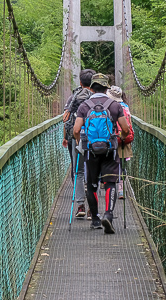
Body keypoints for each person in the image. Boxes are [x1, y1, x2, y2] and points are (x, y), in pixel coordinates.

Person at [73, 73, 130, 234]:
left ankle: (96, 220)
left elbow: (76, 130)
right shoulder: (114, 105)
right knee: (110, 183)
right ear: (106, 88)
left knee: (91, 184)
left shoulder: (84, 106)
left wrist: (79, 143)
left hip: (91, 151)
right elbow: (125, 129)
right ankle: (108, 215)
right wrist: (120, 138)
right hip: (110, 150)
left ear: (91, 88)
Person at [62, 69, 95, 219]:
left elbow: (66, 120)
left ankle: (81, 205)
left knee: (79, 172)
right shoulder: (98, 98)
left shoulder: (73, 98)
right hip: (95, 140)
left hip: (77, 138)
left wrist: (67, 137)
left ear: (80, 83)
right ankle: (92, 210)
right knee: (94, 173)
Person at [107, 85, 133, 199]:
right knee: (122, 166)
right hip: (123, 140)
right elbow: (129, 125)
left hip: (111, 140)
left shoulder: (108, 107)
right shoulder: (125, 107)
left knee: (110, 165)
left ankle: (109, 188)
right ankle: (121, 190)